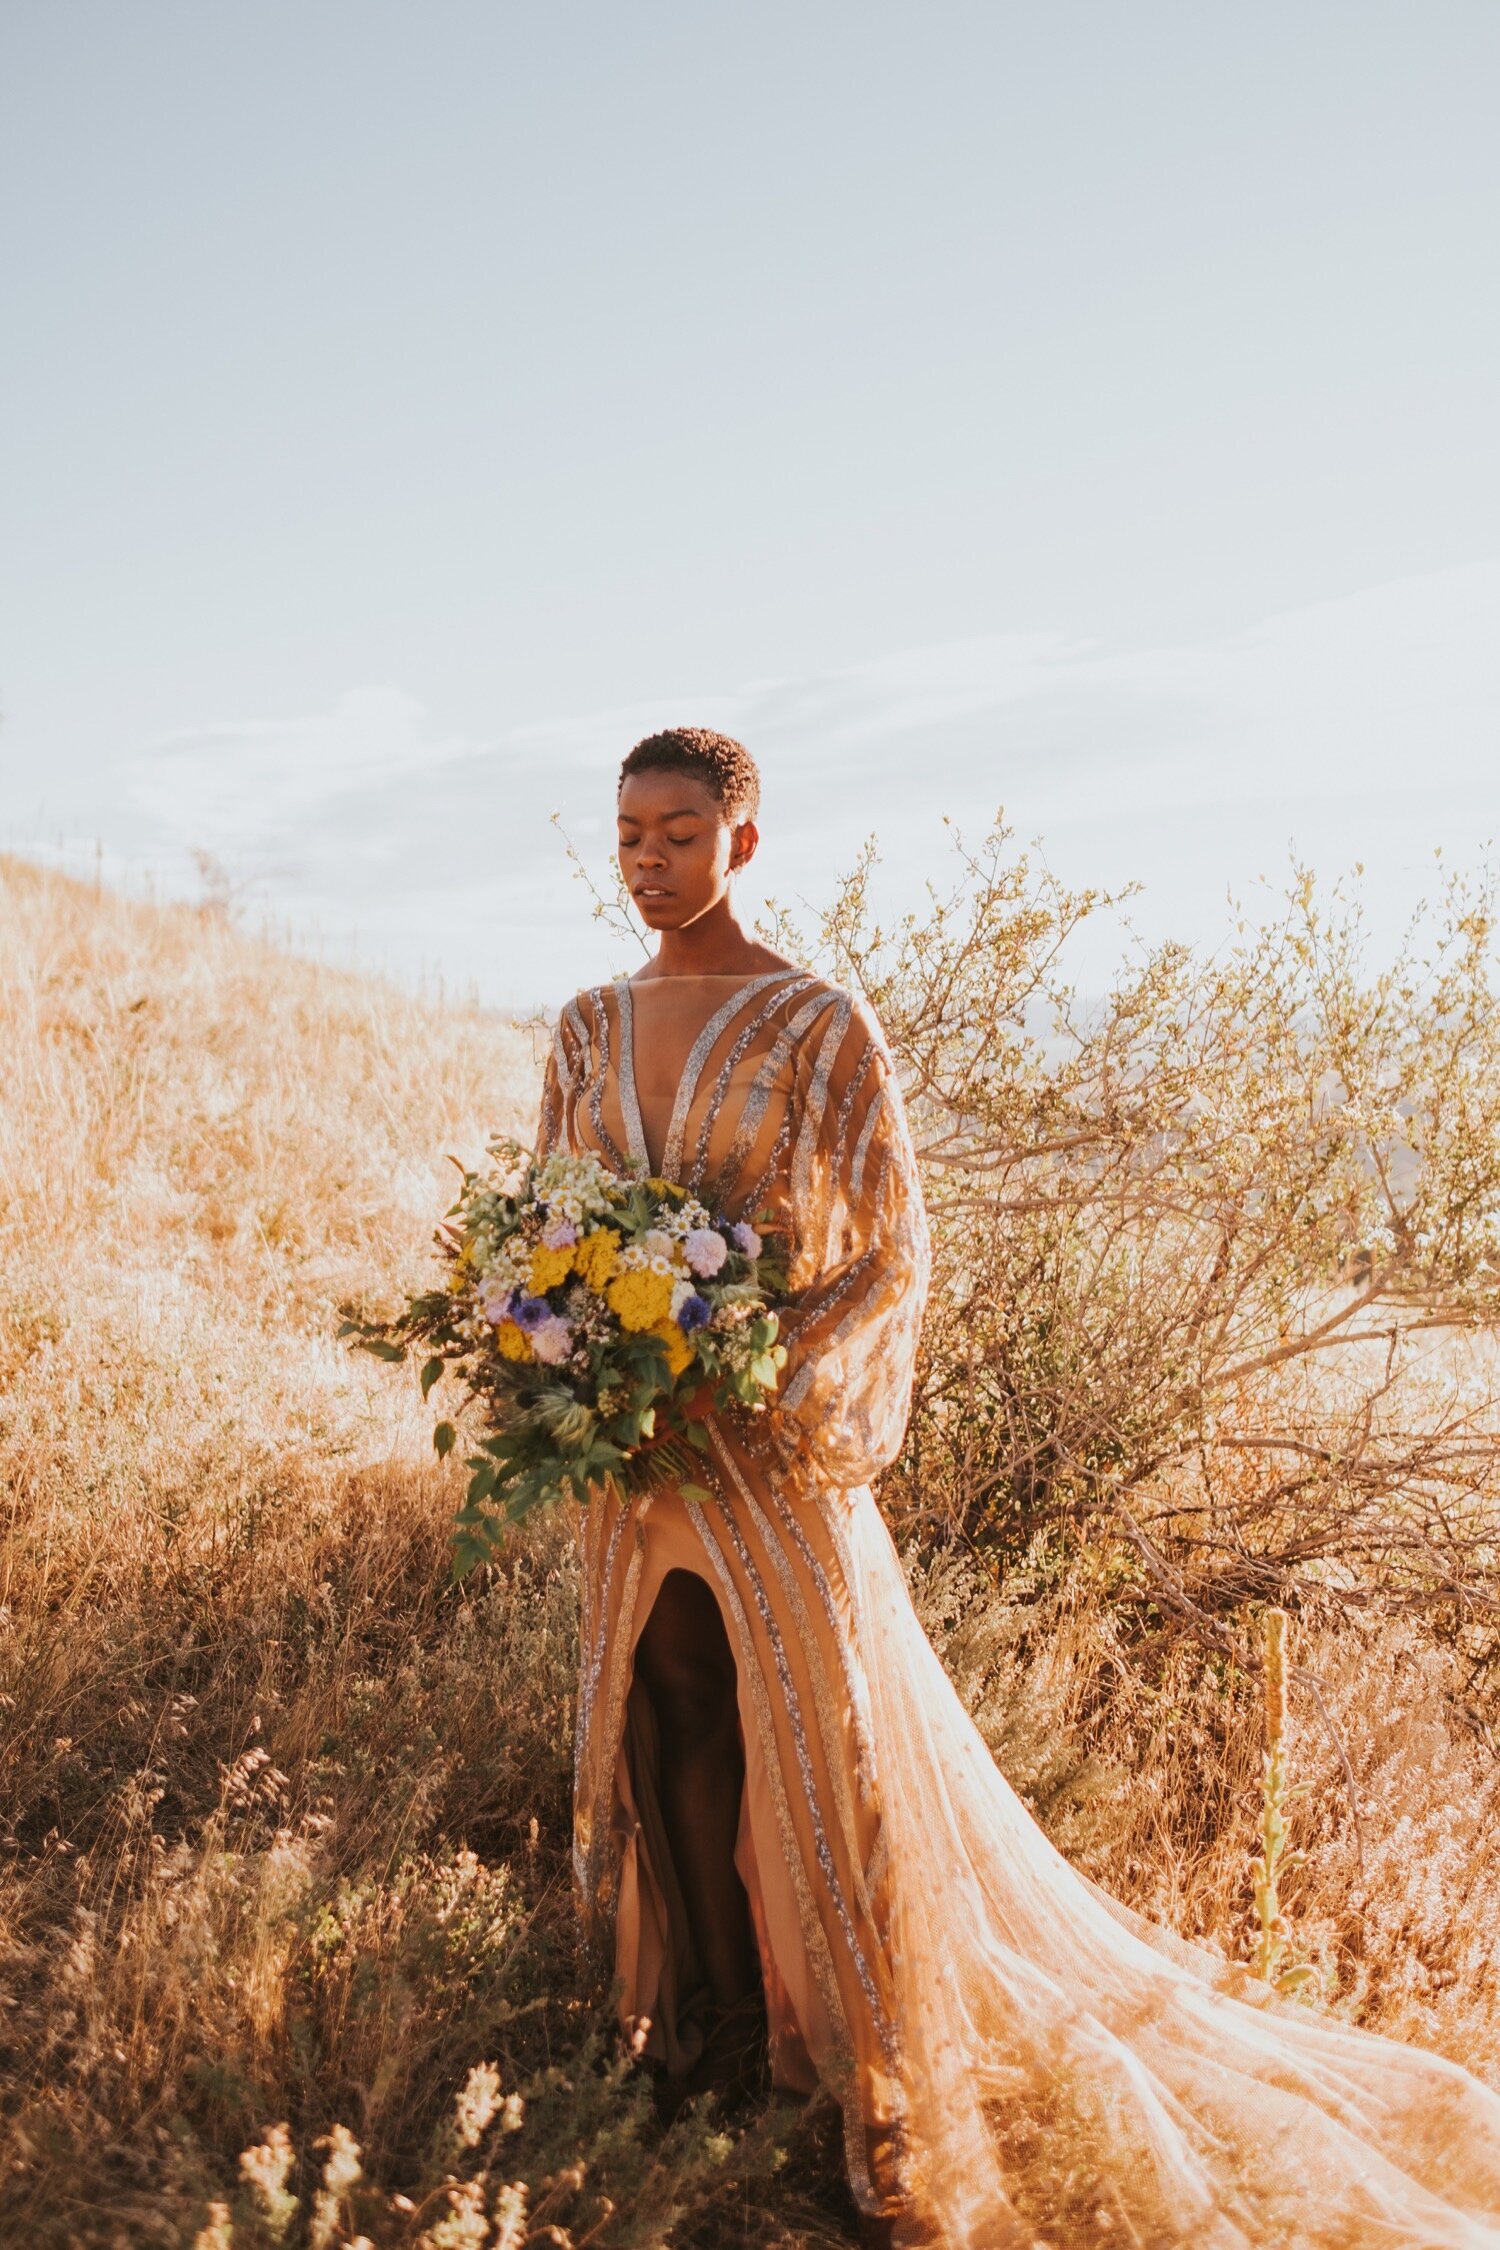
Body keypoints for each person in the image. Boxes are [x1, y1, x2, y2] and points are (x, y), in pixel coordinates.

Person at [537, 726, 1500, 2249]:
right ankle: (699, 2043)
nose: (648, 859)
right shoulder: (586, 1026)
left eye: (678, 831)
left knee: (797, 1736)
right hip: (633, 1455)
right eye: (627, 833)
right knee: (662, 1709)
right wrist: (566, 1347)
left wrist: (755, 1365)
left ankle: (832, 2058)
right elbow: (550, 1217)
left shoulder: (816, 1022)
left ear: (744, 843)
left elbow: (890, 1249)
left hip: (764, 1449)